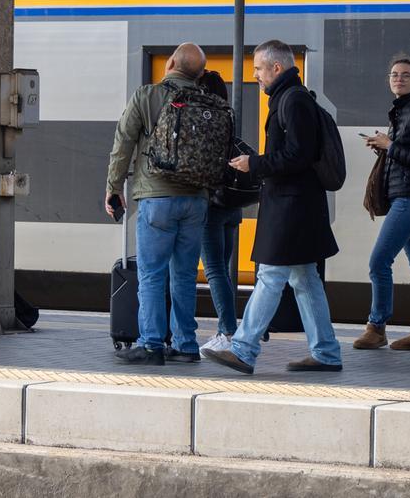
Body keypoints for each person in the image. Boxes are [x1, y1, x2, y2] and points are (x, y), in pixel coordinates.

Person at [203, 40, 342, 374]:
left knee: (269, 275)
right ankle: (326, 352)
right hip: (295, 205)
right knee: (305, 279)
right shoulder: (290, 98)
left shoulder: (293, 101)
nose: (255, 75)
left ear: (276, 68)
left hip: (290, 208)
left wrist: (255, 163)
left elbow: (298, 155)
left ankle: (243, 349)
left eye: (258, 69)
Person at [105, 42, 210, 366]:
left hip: (157, 198)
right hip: (196, 200)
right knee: (185, 276)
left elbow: (123, 143)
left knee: (151, 275)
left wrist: (113, 187)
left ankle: (151, 344)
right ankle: (186, 344)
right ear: (200, 73)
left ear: (171, 64)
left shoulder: (147, 96)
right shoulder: (207, 101)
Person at [353, 57, 410, 351]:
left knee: (379, 261)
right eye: (394, 75)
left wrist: (390, 146)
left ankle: (377, 327)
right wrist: (385, 147)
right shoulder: (402, 111)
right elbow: (407, 154)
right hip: (409, 196)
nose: (398, 79)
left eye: (405, 75)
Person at [194, 68, 244, 353]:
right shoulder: (228, 115)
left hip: (212, 205)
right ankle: (225, 329)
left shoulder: (202, 119)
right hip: (231, 206)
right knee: (222, 271)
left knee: (214, 270)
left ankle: (228, 332)